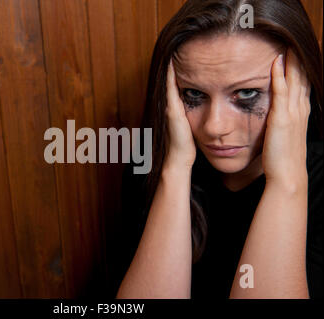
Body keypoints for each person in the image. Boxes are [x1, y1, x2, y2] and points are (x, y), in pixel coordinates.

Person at [114, 0, 323, 299]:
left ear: (299, 84)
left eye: (247, 94)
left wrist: (286, 182)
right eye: (194, 94)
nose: (214, 126)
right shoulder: (149, 169)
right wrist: (174, 171)